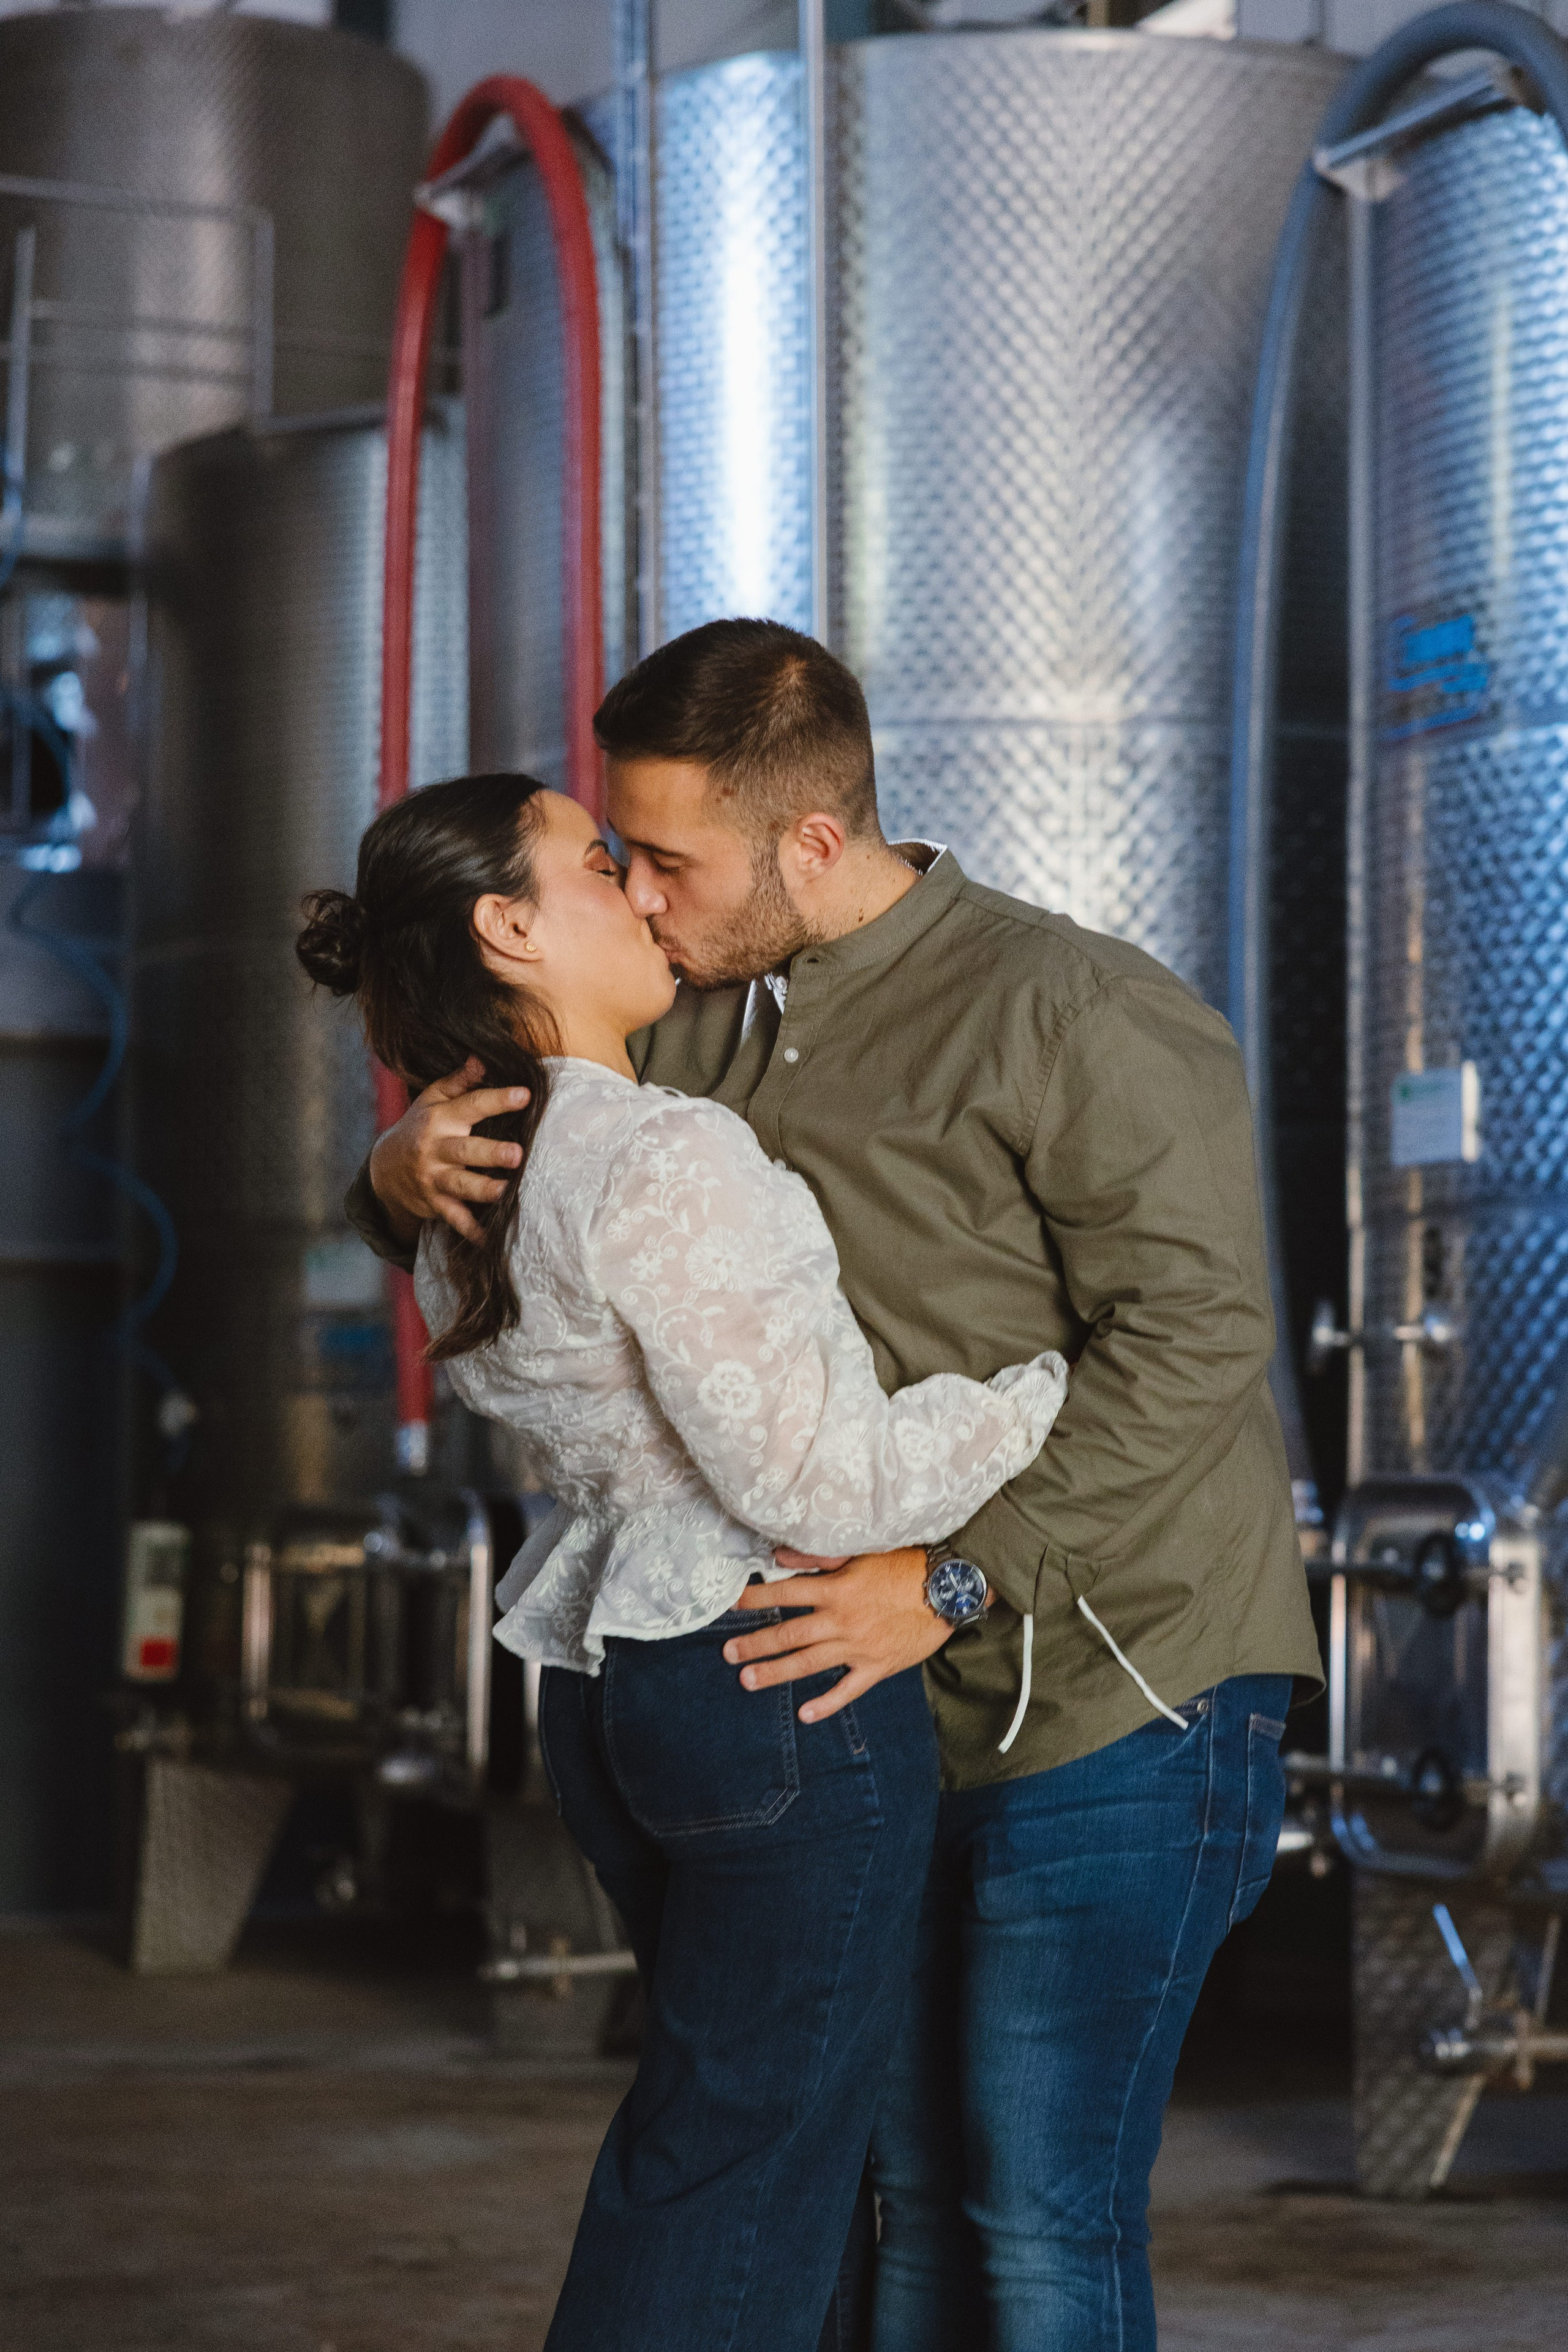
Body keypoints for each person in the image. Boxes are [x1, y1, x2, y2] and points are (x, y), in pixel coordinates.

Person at [349, 620, 1324, 2351]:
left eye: (669, 863)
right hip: (858, 1683)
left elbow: (1195, 1337)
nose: (643, 900)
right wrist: (394, 1167)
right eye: (619, 862)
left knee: (1032, 2216)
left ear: (810, 841)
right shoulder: (701, 1029)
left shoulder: (1077, 1010)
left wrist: (951, 1576)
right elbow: (555, 1192)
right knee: (885, 2208)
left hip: (1119, 1680)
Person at [296, 770, 1068, 2352]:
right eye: (598, 865)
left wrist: (379, 1172)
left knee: (767, 2149)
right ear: (510, 927)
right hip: (773, 1670)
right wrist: (1041, 1397)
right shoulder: (661, 1157)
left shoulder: (457, 1175)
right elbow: (812, 1475)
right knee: (742, 2157)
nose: (643, 891)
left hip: (620, 1687)